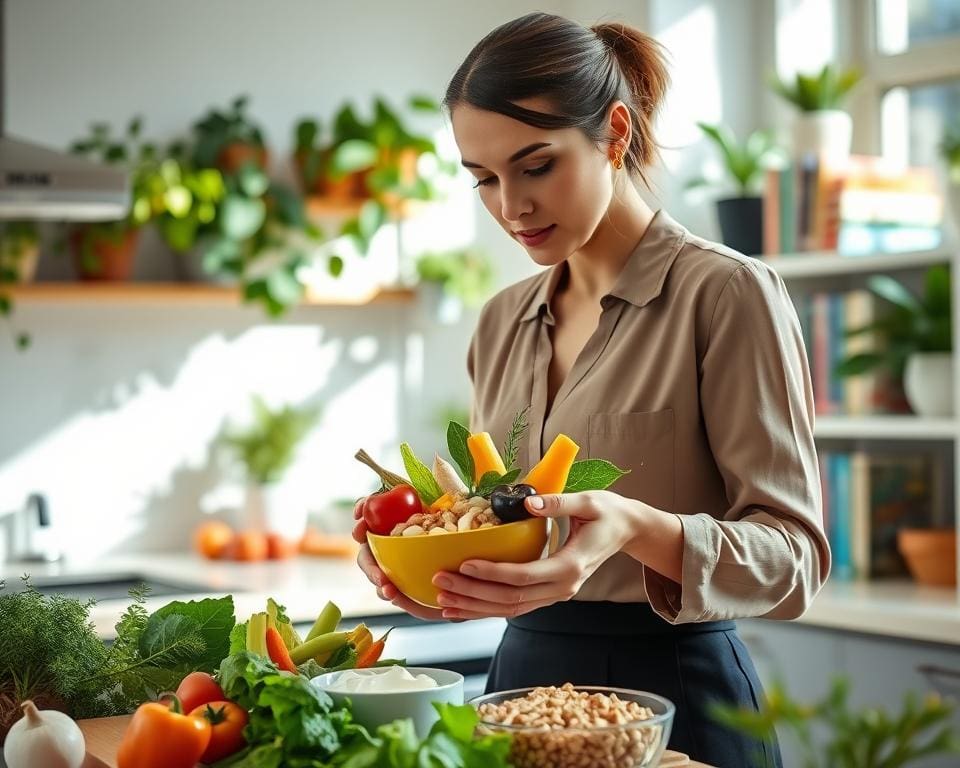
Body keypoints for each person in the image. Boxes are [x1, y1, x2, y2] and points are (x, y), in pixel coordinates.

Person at [353, 11, 831, 767]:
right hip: (519, 695)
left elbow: (793, 558)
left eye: (536, 165)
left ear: (614, 133)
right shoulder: (500, 321)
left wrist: (636, 527)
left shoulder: (727, 293)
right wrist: (433, 567)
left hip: (679, 698)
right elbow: (502, 519)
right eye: (484, 179)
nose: (511, 206)